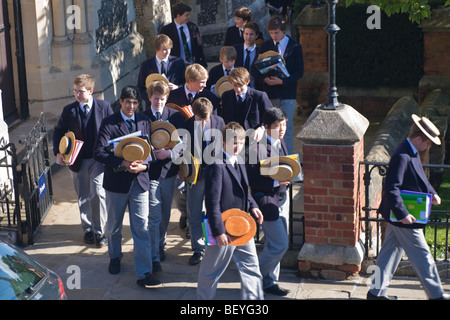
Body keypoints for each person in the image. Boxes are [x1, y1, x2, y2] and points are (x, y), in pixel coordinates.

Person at [367, 114, 449, 300]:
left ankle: (375, 293)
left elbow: (419, 176)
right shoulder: (402, 155)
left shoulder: (411, 151)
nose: (429, 146)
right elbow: (391, 187)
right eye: (428, 143)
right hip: (404, 216)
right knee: (423, 256)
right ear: (419, 139)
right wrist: (403, 214)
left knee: (389, 254)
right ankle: (436, 295)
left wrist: (432, 193)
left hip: (400, 215)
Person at [93, 85, 160, 288]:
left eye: (134, 103)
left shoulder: (145, 121)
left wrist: (144, 165)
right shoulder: (109, 123)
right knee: (114, 226)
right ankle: (115, 257)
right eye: (127, 102)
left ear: (139, 104)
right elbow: (99, 152)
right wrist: (122, 163)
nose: (131, 106)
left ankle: (144, 272)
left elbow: (153, 153)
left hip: (140, 183)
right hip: (117, 184)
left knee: (142, 227)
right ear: (121, 102)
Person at [197, 122, 264, 300]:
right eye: (234, 142)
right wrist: (219, 232)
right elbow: (212, 202)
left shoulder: (239, 160)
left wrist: (253, 206)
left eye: (241, 142)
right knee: (210, 273)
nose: (238, 146)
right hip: (224, 229)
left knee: (252, 269)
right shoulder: (216, 165)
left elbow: (243, 190)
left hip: (242, 226)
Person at [53, 74, 113, 247]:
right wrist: (58, 151)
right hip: (78, 159)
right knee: (83, 196)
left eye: (81, 91)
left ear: (91, 91)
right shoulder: (69, 111)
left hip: (98, 159)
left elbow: (114, 129)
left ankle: (99, 231)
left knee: (98, 194)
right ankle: (87, 229)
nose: (77, 95)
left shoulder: (104, 107)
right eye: (75, 91)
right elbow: (58, 132)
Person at [246, 107, 291, 296]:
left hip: (282, 197)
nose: (281, 129)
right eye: (277, 125)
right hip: (266, 201)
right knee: (280, 245)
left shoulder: (281, 142)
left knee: (272, 244)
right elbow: (251, 178)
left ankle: (269, 281)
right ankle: (253, 277)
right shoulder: (256, 148)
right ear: (266, 127)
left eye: (284, 124)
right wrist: (275, 181)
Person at [143, 80, 185, 271]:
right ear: (150, 98)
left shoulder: (175, 116)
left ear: (167, 98)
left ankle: (161, 242)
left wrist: (169, 153)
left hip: (169, 172)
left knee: (165, 212)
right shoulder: (142, 117)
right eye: (156, 98)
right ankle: (154, 252)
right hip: (150, 174)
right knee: (154, 215)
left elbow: (184, 144)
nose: (159, 102)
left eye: (162, 98)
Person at [250, 15, 303, 154]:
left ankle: (289, 164)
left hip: (287, 93)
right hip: (270, 92)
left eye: (276, 33)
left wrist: (282, 81)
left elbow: (299, 72)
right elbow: (253, 68)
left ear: (283, 31)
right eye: (271, 33)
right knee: (271, 129)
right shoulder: (265, 45)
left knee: (286, 129)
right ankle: (272, 161)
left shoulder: (295, 46)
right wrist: (264, 80)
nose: (274, 36)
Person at [184, 97, 225, 265]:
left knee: (216, 211)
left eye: (205, 119)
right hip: (196, 176)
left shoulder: (219, 121)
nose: (202, 122)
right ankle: (198, 249)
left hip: (215, 174)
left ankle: (215, 247)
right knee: (194, 213)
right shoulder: (187, 125)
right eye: (199, 119)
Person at [221, 67, 272, 143]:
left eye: (240, 85)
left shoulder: (259, 96)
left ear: (247, 82)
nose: (238, 89)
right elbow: (223, 118)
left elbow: (271, 117)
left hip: (254, 141)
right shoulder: (226, 96)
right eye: (235, 85)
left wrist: (262, 128)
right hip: (233, 141)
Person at [137, 34, 186, 107]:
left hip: (174, 105)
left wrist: (177, 87)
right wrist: (153, 97)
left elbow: (186, 84)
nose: (167, 52)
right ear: (156, 49)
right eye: (164, 49)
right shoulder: (146, 65)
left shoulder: (178, 63)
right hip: (153, 106)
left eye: (169, 49)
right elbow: (140, 88)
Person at [160, 2, 207, 68]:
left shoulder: (193, 27)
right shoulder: (166, 30)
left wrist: (203, 64)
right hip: (175, 67)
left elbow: (199, 47)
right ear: (178, 15)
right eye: (186, 15)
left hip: (193, 65)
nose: (189, 17)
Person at [233, 21, 261, 88]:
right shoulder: (235, 50)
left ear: (256, 36)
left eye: (251, 34)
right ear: (243, 34)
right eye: (246, 34)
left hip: (256, 87)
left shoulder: (260, 51)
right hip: (238, 87)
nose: (248, 37)